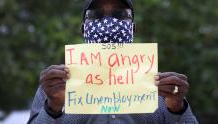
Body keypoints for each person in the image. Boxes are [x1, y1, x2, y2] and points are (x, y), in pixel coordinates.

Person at [27, 0, 198, 123]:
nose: (108, 22)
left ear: (133, 28)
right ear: (83, 29)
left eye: (120, 14)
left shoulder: (163, 89)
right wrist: (52, 107)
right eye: (96, 15)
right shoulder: (54, 86)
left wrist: (177, 108)